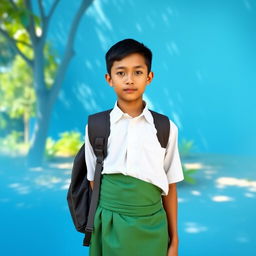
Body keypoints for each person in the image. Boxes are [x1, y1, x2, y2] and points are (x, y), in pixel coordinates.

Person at [84, 38, 184, 256]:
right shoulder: (96, 125)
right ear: (109, 79)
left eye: (138, 72)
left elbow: (171, 186)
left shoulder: (165, 127)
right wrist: (107, 216)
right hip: (108, 225)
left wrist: (174, 240)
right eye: (121, 73)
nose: (129, 80)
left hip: (152, 226)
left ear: (149, 77)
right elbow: (93, 180)